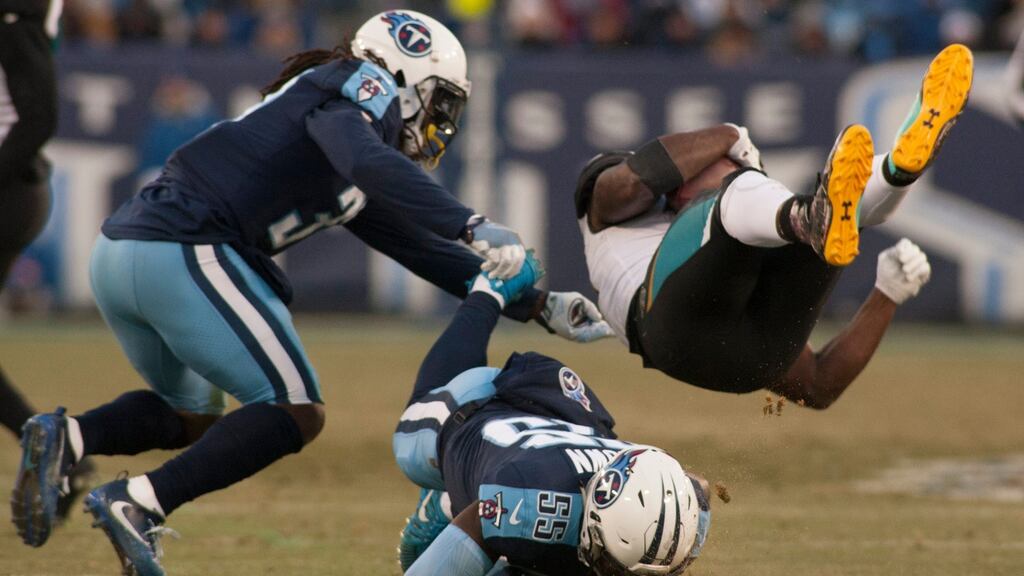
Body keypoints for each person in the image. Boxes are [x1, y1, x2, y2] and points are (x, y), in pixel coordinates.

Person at [9, 9, 607, 573]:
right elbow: (365, 159)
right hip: (184, 247)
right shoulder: (354, 85)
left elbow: (413, 245)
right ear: (402, 72)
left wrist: (536, 304)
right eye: (437, 101)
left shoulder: (332, 133)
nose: (437, 122)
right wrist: (471, 222)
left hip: (124, 253)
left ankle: (70, 435)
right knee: (293, 409)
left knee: (192, 416)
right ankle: (137, 501)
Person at [573, 44, 972, 408]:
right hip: (667, 327)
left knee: (828, 213)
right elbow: (634, 179)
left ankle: (895, 171)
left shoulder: (720, 242)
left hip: (748, 357)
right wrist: (731, 136)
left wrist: (888, 293)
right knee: (750, 197)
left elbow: (819, 385)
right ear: (680, 188)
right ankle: (822, 210)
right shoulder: (605, 210)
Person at [392, 253, 711, 576]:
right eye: (612, 566)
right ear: (594, 514)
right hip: (475, 408)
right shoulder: (532, 500)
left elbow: (699, 487)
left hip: (564, 423)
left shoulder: (686, 507)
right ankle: (490, 291)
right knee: (409, 443)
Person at [2, 0, 97, 536]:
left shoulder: (16, 23)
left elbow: (38, 119)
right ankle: (60, 458)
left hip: (9, 192)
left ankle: (62, 456)